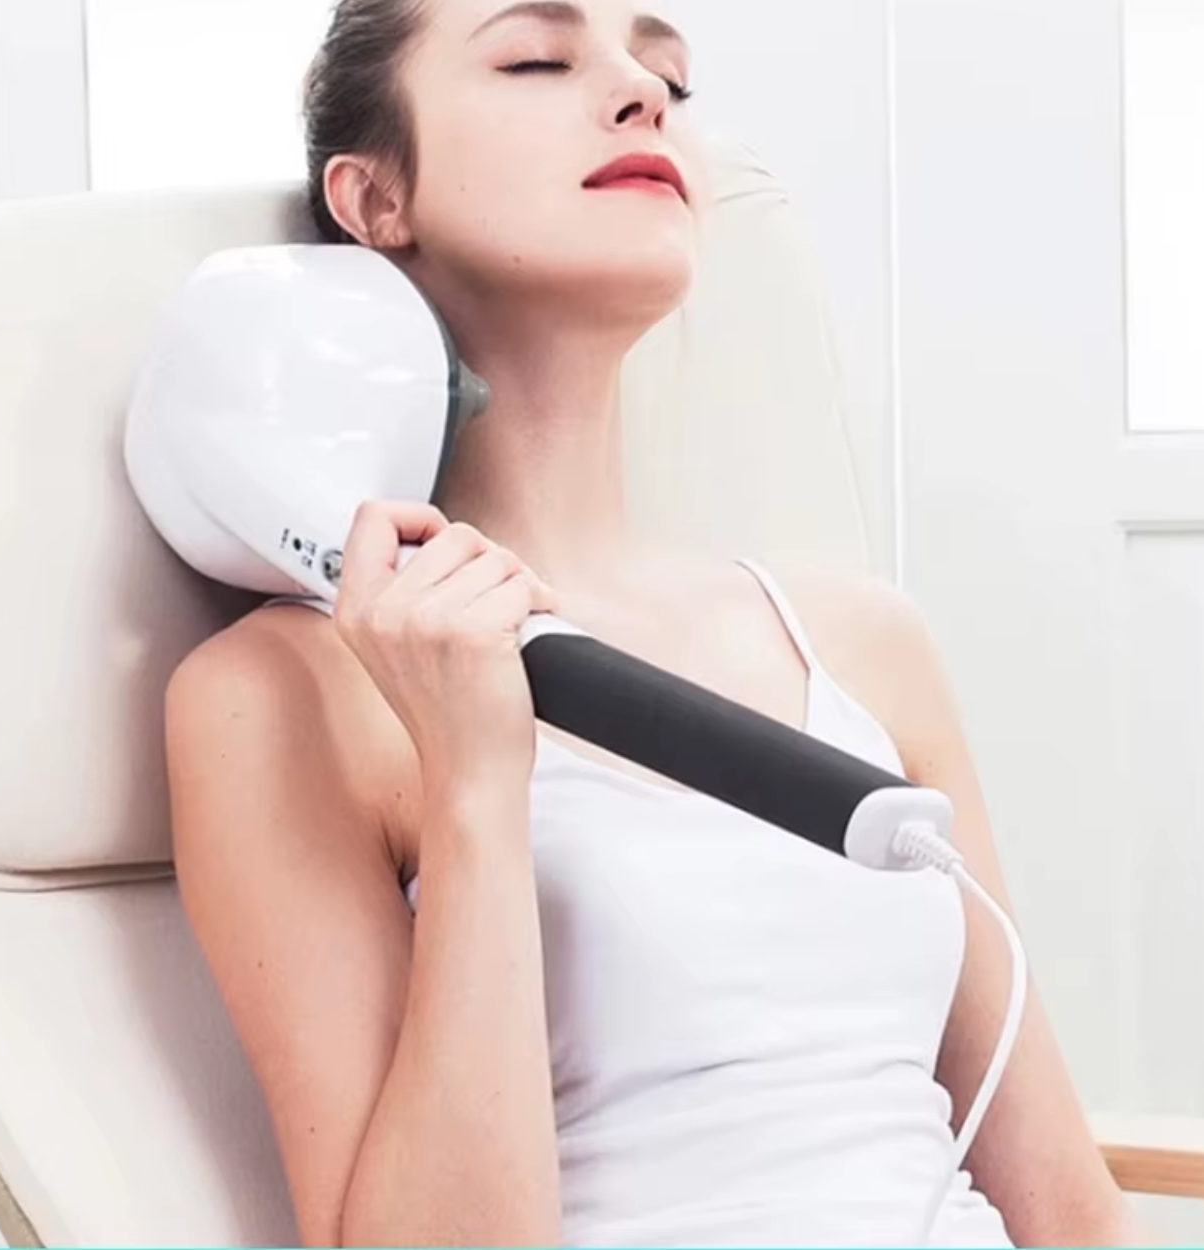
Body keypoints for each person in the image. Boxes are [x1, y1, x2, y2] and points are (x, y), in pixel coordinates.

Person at [163, 0, 1138, 1245]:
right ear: (374, 198)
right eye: (535, 57)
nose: (641, 95)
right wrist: (475, 788)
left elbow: (1066, 1204)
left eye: (666, 73)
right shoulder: (285, 695)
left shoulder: (860, 640)